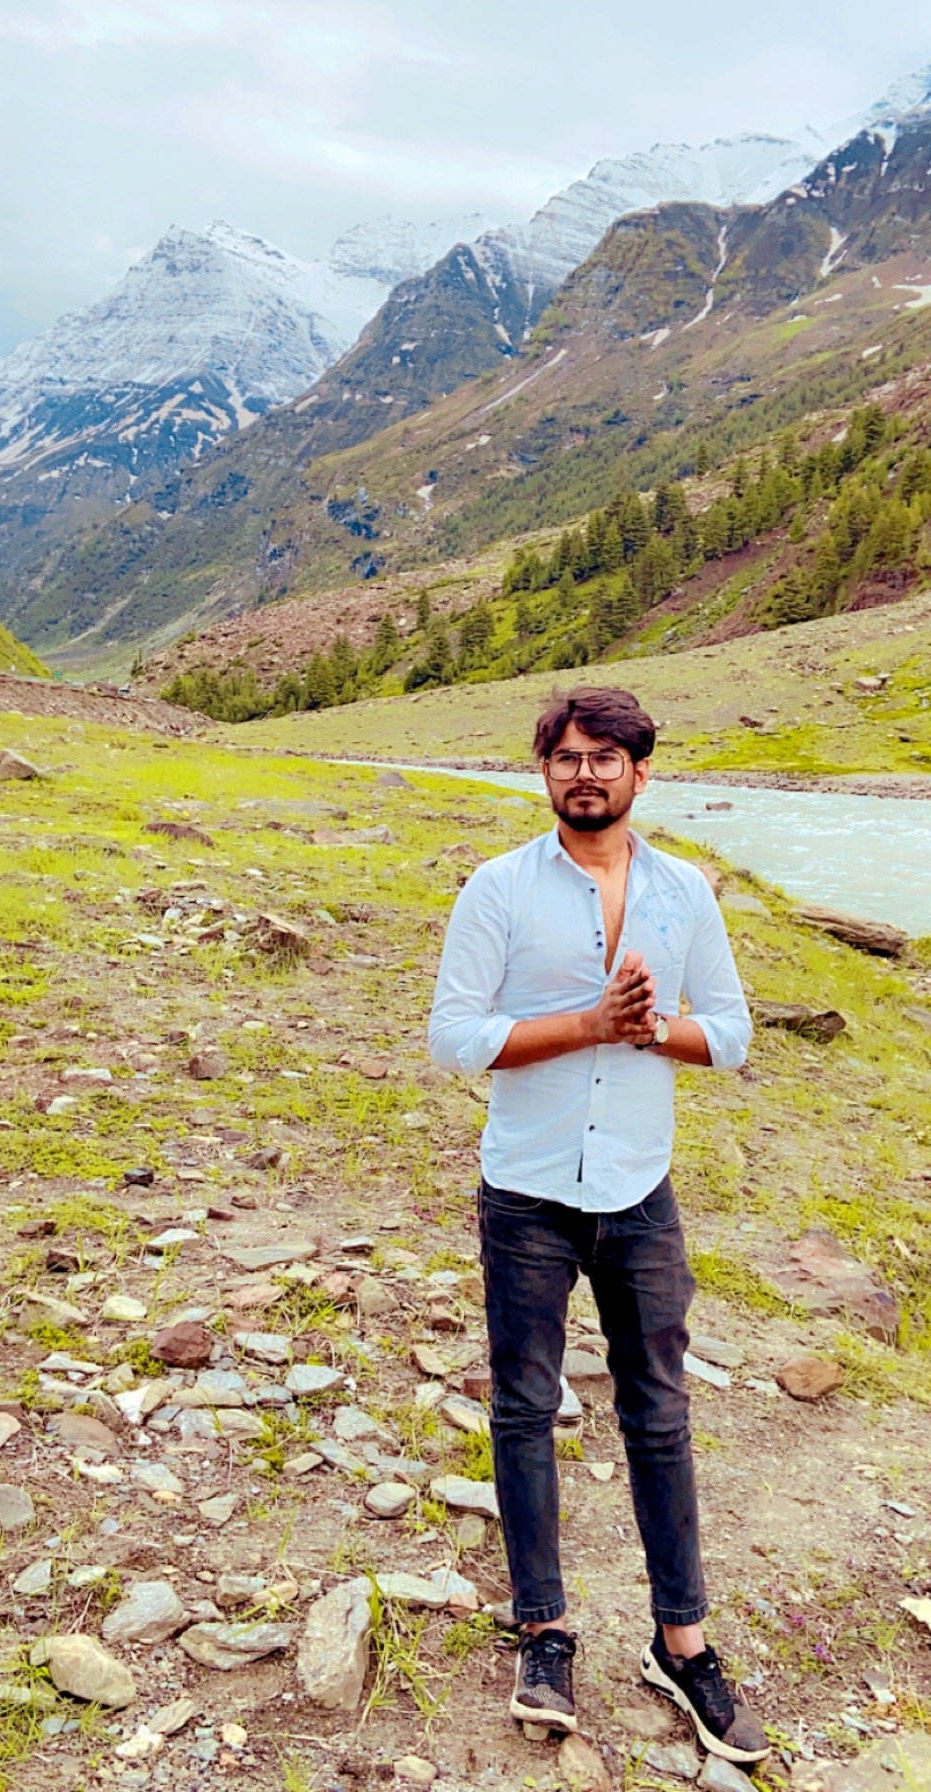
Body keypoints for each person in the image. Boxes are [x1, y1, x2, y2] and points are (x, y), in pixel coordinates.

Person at [428, 686, 769, 1767]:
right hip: (526, 1189)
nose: (586, 773)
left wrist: (651, 1030)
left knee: (658, 1414)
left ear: (640, 773)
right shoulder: (498, 887)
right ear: (544, 771)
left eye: (606, 757)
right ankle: (544, 1632)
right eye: (568, 756)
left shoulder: (685, 891)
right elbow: (454, 1038)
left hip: (638, 1190)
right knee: (525, 1408)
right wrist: (588, 1022)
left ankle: (682, 1644)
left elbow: (733, 1034)